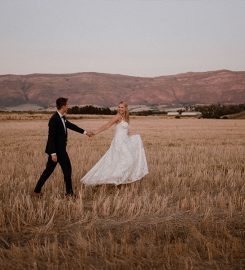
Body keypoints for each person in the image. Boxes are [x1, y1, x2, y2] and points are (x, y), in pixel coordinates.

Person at [33, 97, 93, 198]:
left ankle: (37, 191)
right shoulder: (54, 119)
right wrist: (53, 153)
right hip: (57, 151)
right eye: (67, 105)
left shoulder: (62, 118)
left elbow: (71, 126)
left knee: (55, 170)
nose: (68, 107)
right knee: (61, 170)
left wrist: (85, 132)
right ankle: (68, 193)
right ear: (63, 106)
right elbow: (51, 137)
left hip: (60, 150)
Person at [80, 101, 148, 186]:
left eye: (122, 107)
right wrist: (95, 132)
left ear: (126, 108)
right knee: (127, 159)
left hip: (125, 141)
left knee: (121, 161)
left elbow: (127, 131)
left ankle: (118, 179)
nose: (120, 109)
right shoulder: (117, 117)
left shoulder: (126, 118)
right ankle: (114, 179)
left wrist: (137, 136)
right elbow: (107, 125)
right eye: (119, 107)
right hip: (119, 142)